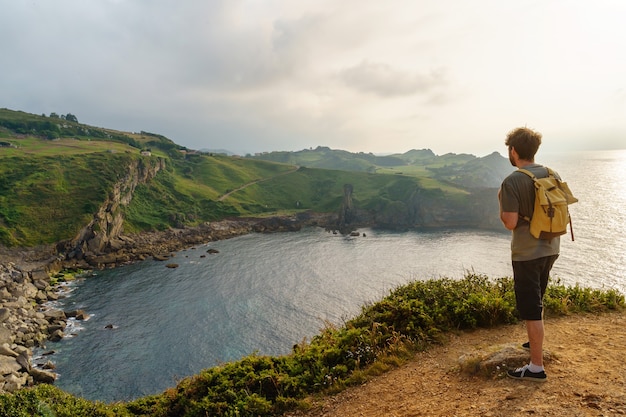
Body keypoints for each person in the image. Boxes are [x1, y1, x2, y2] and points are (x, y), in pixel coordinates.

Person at [498, 127, 561, 382]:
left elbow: (510, 222)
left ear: (513, 151)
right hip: (551, 248)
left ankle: (536, 367)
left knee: (530, 308)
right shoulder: (551, 173)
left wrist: (501, 202)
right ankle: (533, 342)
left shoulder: (513, 181)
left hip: (527, 253)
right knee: (538, 298)